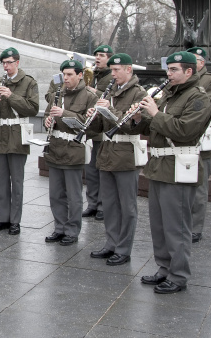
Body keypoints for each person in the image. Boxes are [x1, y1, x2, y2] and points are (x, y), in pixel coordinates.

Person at [133, 51, 211, 294]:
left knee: (176, 226)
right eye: (169, 69)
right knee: (159, 225)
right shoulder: (168, 94)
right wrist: (139, 117)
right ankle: (164, 267)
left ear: (189, 71)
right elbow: (152, 128)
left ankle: (178, 275)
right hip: (158, 166)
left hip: (178, 167)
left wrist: (156, 113)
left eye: (174, 69)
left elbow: (185, 130)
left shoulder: (197, 98)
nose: (169, 74)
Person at [88, 53, 146, 266]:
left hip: (125, 153)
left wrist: (109, 109)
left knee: (127, 206)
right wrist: (92, 117)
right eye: (111, 70)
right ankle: (111, 243)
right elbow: (100, 127)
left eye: (116, 70)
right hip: (106, 151)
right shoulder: (110, 91)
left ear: (128, 69)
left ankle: (124, 248)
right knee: (110, 204)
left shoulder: (138, 93)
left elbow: (133, 125)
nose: (112, 74)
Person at [42, 59, 97, 246]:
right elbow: (47, 115)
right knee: (56, 194)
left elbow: (92, 125)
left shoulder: (89, 96)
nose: (65, 78)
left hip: (74, 149)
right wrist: (48, 121)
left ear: (80, 75)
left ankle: (72, 230)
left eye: (70, 75)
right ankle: (59, 227)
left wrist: (64, 114)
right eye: (64, 74)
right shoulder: (58, 93)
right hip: (55, 147)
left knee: (74, 196)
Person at [0, 48, 39, 235]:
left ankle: (15, 221)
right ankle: (2, 218)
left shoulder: (29, 82)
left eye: (9, 62)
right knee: (0, 182)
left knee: (16, 181)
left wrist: (11, 96)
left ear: (17, 62)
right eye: (4, 63)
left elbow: (33, 109)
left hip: (17, 135)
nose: (6, 66)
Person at [187, 47, 211, 244]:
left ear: (201, 62)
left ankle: (196, 227)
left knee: (200, 187)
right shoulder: (183, 78)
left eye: (192, 59)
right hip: (182, 137)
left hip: (203, 140)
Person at [82, 44, 115, 222]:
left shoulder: (112, 75)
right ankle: (92, 203)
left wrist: (96, 92)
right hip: (91, 126)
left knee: (102, 169)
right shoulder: (92, 74)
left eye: (102, 55)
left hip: (106, 127)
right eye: (96, 55)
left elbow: (115, 97)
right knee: (91, 169)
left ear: (109, 58)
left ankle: (103, 205)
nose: (98, 58)